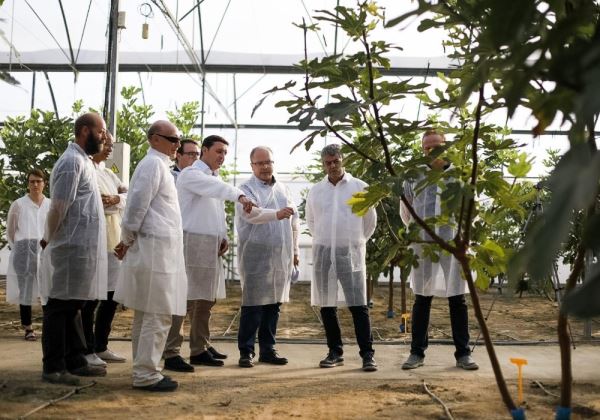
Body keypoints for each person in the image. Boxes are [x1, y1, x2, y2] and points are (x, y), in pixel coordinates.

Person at [114, 120, 187, 392]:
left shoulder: (159, 166)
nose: (177, 145)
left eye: (178, 140)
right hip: (156, 251)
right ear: (155, 139)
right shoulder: (153, 165)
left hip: (159, 249)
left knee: (148, 314)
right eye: (173, 139)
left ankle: (145, 369)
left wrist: (127, 239)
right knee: (157, 313)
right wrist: (126, 239)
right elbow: (136, 206)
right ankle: (146, 374)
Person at [399, 130, 478, 371]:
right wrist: (417, 234)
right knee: (422, 297)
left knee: (457, 297)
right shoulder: (413, 178)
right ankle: (417, 352)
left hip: (453, 244)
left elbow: (470, 212)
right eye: (427, 147)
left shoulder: (460, 177)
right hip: (423, 244)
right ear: (422, 150)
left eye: (437, 146)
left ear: (446, 146)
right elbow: (406, 211)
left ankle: (463, 354)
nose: (432, 151)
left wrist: (464, 240)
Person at [39, 112, 108, 385]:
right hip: (69, 247)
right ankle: (54, 366)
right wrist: (48, 238)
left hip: (82, 249)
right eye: (100, 131)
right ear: (84, 131)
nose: (104, 136)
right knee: (59, 307)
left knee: (75, 305)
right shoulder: (70, 163)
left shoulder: (84, 161)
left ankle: (75, 360)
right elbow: (58, 207)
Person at [174, 135, 254, 369]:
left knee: (206, 299)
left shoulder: (213, 177)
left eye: (225, 153)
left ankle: (200, 348)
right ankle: (171, 351)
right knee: (186, 299)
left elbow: (217, 211)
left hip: (209, 243)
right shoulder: (191, 174)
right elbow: (216, 190)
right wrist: (240, 195)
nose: (222, 156)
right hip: (191, 241)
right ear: (204, 151)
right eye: (218, 151)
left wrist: (223, 236)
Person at [305, 144, 378, 372]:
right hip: (324, 253)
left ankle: (367, 354)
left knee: (358, 305)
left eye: (336, 161)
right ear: (323, 164)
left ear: (342, 160)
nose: (332, 166)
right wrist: (328, 243)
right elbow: (312, 222)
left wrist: (353, 242)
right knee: (327, 306)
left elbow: (370, 222)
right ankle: (335, 352)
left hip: (351, 253)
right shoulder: (316, 190)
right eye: (328, 162)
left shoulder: (360, 187)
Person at [235, 146, 299, 368]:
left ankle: (268, 350)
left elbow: (294, 221)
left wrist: (296, 251)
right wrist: (277, 214)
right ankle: (246, 351)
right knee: (253, 305)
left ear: (274, 163)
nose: (264, 167)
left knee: (274, 304)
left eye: (268, 162)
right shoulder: (245, 189)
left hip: (280, 254)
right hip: (255, 254)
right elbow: (251, 214)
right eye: (259, 163)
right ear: (252, 165)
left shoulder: (283, 188)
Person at [81, 132, 128, 366]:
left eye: (111, 145)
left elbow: (127, 196)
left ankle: (101, 345)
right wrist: (113, 201)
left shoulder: (109, 173)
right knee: (92, 297)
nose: (110, 148)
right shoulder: (87, 170)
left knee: (111, 296)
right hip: (96, 239)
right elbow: (96, 203)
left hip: (115, 239)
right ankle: (86, 348)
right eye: (106, 144)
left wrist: (117, 200)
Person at [162, 138, 200, 373]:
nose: (194, 159)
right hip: (173, 245)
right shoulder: (170, 177)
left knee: (191, 299)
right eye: (190, 154)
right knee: (174, 300)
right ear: (178, 156)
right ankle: (171, 352)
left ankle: (193, 348)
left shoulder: (202, 179)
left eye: (197, 155)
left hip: (193, 244)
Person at [6, 169, 50, 341]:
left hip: (45, 250)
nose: (35, 185)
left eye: (39, 181)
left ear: (44, 183)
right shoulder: (18, 204)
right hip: (24, 250)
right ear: (28, 183)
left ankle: (49, 325)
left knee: (48, 288)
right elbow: (11, 231)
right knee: (26, 289)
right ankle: (28, 328)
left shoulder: (50, 204)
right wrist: (18, 249)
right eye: (32, 181)